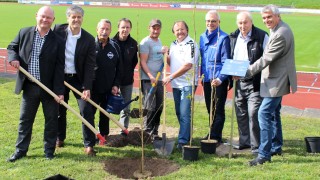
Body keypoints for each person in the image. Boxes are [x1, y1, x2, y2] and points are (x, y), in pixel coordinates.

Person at [7, 6, 65, 162]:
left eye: (48, 17)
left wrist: (60, 91)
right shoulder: (24, 32)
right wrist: (13, 57)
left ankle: (49, 151)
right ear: (36, 16)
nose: (45, 20)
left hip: (49, 89)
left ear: (53, 20)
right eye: (42, 16)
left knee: (51, 121)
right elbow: (12, 47)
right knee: (25, 120)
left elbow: (60, 68)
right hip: (29, 86)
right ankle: (20, 150)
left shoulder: (58, 40)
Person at [244, 5, 297, 166]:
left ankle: (264, 154)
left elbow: (266, 58)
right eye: (264, 18)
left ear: (277, 16)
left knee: (263, 113)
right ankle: (276, 146)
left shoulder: (281, 33)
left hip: (276, 80)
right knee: (274, 113)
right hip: (274, 79)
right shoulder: (279, 29)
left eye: (269, 17)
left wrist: (247, 72)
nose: (266, 20)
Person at [53, 5, 97, 156]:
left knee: (86, 111)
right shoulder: (58, 30)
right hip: (60, 78)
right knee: (59, 109)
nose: (76, 19)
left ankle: (89, 144)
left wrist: (87, 87)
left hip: (78, 79)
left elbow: (90, 66)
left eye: (79, 17)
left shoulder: (89, 39)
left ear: (82, 19)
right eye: (73, 17)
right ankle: (59, 137)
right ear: (68, 18)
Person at [229, 11, 269, 153]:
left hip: (255, 82)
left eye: (245, 22)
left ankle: (256, 145)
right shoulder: (233, 37)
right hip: (238, 82)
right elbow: (230, 57)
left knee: (253, 113)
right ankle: (244, 142)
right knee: (241, 112)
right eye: (240, 23)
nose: (243, 25)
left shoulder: (262, 36)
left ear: (251, 22)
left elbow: (267, 58)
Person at [163, 21, 199, 150]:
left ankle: (183, 142)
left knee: (184, 113)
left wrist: (170, 76)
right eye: (177, 30)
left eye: (182, 29)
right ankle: (186, 135)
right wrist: (165, 55)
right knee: (179, 112)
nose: (180, 32)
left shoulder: (192, 44)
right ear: (174, 32)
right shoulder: (174, 44)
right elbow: (171, 62)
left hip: (187, 83)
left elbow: (188, 65)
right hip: (176, 84)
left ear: (187, 30)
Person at [199, 10, 231, 144]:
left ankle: (215, 136)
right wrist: (201, 74)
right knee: (209, 107)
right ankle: (212, 132)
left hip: (218, 80)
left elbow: (226, 60)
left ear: (219, 22)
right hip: (207, 79)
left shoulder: (223, 38)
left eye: (213, 21)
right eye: (208, 21)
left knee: (218, 109)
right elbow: (202, 59)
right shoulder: (202, 37)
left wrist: (220, 78)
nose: (210, 23)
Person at [92, 19, 122, 145]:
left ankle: (103, 136)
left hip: (108, 88)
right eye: (102, 29)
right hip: (91, 88)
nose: (104, 32)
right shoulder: (90, 45)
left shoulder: (114, 46)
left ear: (110, 31)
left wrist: (115, 84)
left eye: (107, 29)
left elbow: (119, 68)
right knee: (89, 113)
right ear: (97, 29)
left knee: (105, 113)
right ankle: (90, 137)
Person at [140, 19, 167, 139]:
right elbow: (143, 62)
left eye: (158, 28)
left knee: (159, 105)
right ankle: (148, 131)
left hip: (159, 78)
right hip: (148, 79)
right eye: (153, 28)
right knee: (150, 106)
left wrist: (166, 52)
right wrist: (150, 76)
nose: (156, 30)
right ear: (149, 28)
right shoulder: (145, 42)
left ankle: (155, 130)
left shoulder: (159, 41)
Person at [112, 18, 138, 134]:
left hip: (127, 80)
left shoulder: (133, 43)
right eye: (123, 27)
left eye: (127, 27)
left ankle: (123, 130)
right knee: (109, 106)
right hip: (112, 81)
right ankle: (102, 130)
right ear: (118, 28)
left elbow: (134, 62)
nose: (125, 30)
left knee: (126, 107)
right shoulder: (111, 42)